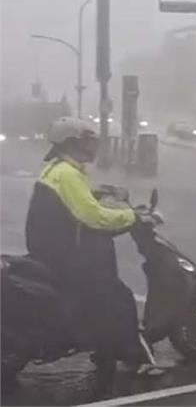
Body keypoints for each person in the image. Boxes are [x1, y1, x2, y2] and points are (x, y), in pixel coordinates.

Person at [24, 117, 158, 375]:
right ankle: (134, 356)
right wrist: (134, 217)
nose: (93, 146)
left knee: (105, 292)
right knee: (119, 297)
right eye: (88, 141)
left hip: (51, 248)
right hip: (65, 254)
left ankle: (103, 347)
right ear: (72, 143)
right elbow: (93, 217)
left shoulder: (59, 169)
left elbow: (75, 202)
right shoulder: (68, 174)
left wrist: (98, 194)